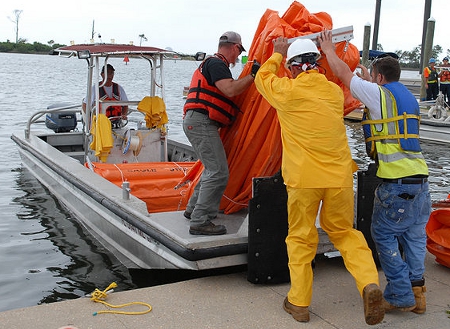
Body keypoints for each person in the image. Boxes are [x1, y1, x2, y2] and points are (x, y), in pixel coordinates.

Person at [253, 36, 384, 325]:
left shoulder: (286, 91)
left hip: (303, 178)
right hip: (339, 176)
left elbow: (261, 77)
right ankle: (368, 283)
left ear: (294, 68)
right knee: (344, 233)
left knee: (300, 237)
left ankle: (299, 303)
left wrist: (276, 54)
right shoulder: (334, 93)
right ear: (316, 64)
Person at [319, 30, 431, 316]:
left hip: (396, 184)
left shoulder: (378, 94)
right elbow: (382, 104)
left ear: (379, 77)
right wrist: (369, 82)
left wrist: (329, 49)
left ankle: (402, 295)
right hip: (421, 181)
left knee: (383, 235)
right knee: (415, 238)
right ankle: (418, 294)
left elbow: (344, 74)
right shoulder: (408, 97)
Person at [182, 31, 260, 235]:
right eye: (239, 51)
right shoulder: (216, 64)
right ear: (235, 47)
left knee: (211, 169)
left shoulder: (213, 64)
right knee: (218, 172)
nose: (238, 56)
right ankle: (200, 221)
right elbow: (230, 90)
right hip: (201, 122)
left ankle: (193, 210)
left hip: (196, 122)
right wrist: (253, 76)